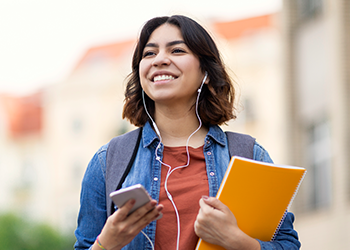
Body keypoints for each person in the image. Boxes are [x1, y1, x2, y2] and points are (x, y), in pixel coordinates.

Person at [74, 15, 301, 250]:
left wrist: (235, 241)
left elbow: (288, 245)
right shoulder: (107, 161)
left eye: (177, 51)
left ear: (206, 71)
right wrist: (107, 243)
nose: (159, 59)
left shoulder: (249, 155)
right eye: (149, 53)